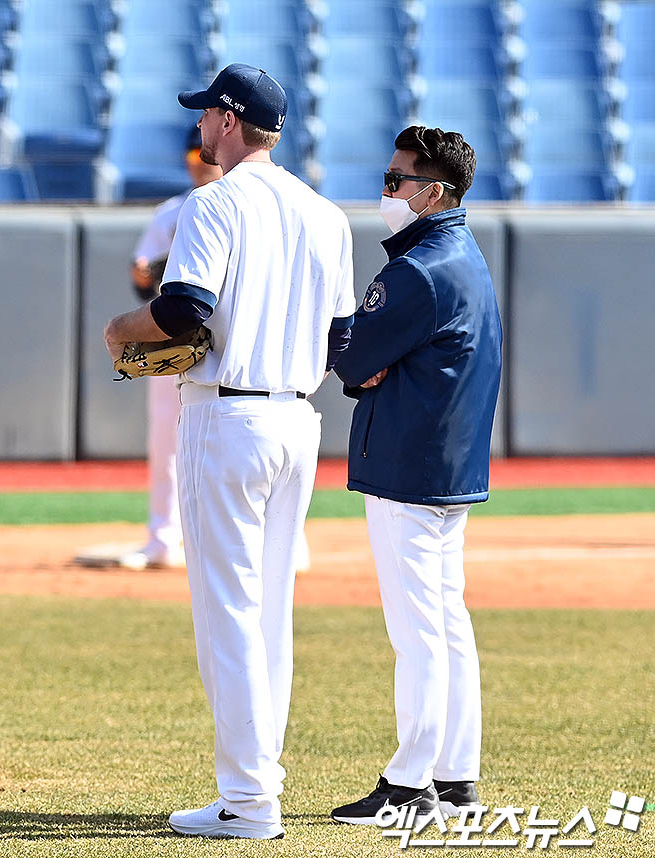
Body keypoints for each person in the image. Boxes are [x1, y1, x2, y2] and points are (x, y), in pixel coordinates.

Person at [104, 64, 355, 840]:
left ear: (225, 118)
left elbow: (182, 311)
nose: (201, 129)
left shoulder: (213, 203)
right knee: (268, 609)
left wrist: (121, 329)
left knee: (229, 614)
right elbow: (344, 340)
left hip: (228, 418)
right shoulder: (326, 214)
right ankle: (256, 783)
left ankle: (249, 800)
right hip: (298, 420)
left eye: (207, 115)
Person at [329, 126, 502, 825]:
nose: (386, 190)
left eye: (398, 180)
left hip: (410, 463)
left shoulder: (420, 267)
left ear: (435, 192)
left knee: (420, 630)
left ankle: (410, 786)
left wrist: (361, 360)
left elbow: (348, 352)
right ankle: (456, 777)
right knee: (447, 622)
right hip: (448, 462)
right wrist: (367, 360)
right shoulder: (464, 253)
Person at [120, 126, 222, 570]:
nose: (198, 159)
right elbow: (144, 286)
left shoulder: (246, 210)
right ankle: (163, 539)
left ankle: (284, 542)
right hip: (174, 341)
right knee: (166, 439)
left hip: (230, 341)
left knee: (242, 439)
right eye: (192, 152)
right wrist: (144, 277)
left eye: (204, 151)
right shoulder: (171, 214)